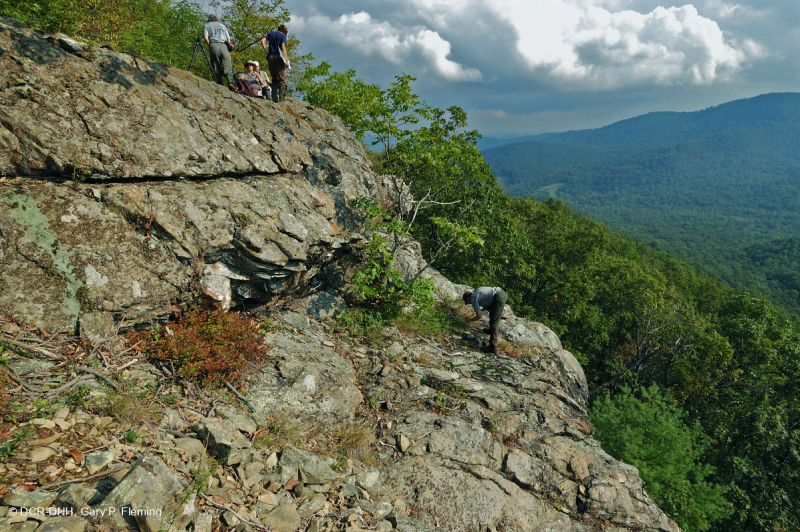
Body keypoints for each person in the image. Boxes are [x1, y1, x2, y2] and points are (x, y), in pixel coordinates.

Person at [463, 287, 508, 354]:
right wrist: (483, 309)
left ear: (468, 298)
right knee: (493, 315)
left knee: (494, 321)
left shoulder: (473, 298)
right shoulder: (476, 292)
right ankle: (491, 331)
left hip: (498, 296)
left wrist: (470, 319)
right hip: (501, 294)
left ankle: (493, 347)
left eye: (467, 302)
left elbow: (479, 316)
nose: (469, 303)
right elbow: (487, 299)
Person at [203, 14, 235, 90]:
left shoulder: (207, 25)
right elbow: (228, 39)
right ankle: (230, 83)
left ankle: (220, 84)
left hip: (213, 44)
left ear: (209, 19)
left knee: (216, 65)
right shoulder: (222, 26)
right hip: (223, 45)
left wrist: (210, 45)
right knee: (227, 65)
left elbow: (205, 37)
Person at [260, 24, 290, 102]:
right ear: (284, 31)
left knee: (274, 78)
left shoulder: (271, 34)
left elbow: (262, 41)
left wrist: (266, 51)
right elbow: (283, 47)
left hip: (270, 57)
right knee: (282, 78)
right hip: (279, 57)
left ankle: (274, 97)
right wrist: (286, 61)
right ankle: (281, 98)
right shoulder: (283, 36)